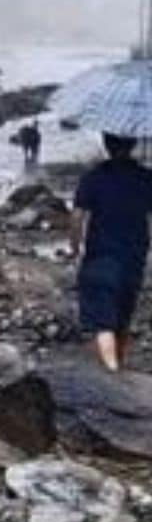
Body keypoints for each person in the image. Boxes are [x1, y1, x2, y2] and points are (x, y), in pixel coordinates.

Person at [70, 133, 152, 371]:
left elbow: (77, 217)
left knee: (102, 321)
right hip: (134, 257)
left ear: (106, 145)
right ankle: (119, 365)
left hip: (101, 255)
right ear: (134, 144)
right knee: (122, 319)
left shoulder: (93, 178)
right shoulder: (146, 178)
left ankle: (112, 369)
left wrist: (75, 247)